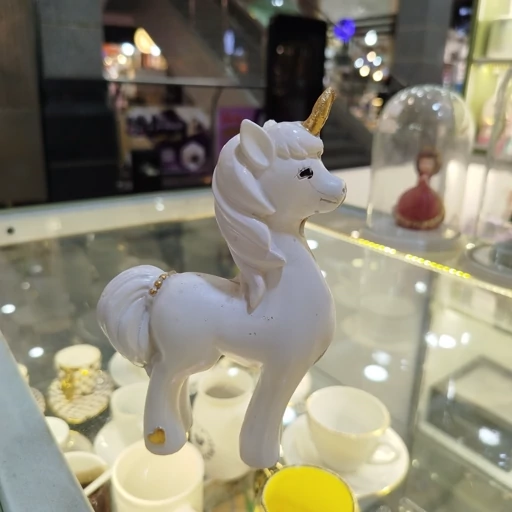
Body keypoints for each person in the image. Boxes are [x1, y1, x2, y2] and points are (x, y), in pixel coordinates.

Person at [394, 147, 445, 230]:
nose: (426, 166)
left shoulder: (431, 191)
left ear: (435, 165)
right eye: (423, 163)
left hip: (428, 198)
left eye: (429, 164)